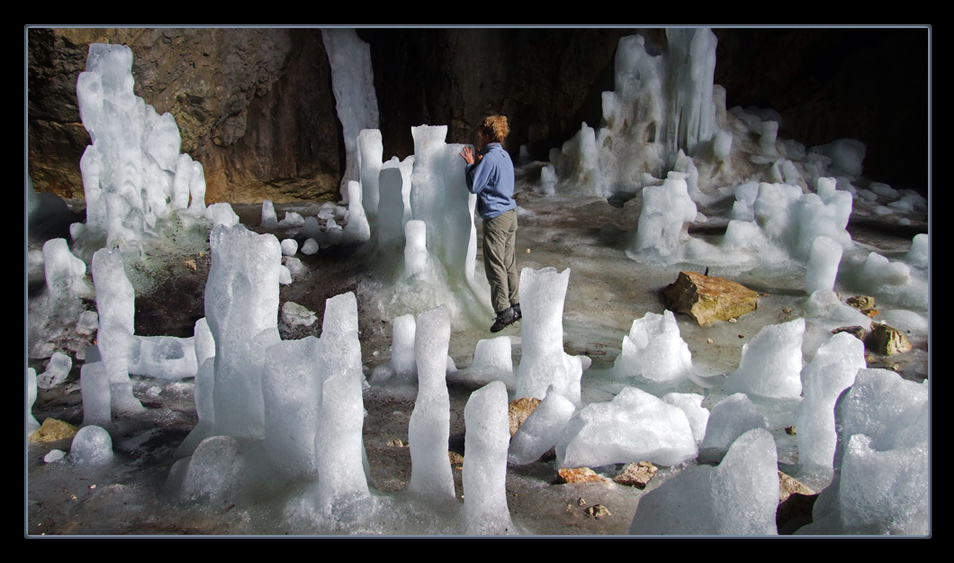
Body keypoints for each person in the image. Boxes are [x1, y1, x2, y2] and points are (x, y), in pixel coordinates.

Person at [459, 115, 521, 332]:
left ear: (487, 135)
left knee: (494, 265)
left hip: (496, 218)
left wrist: (469, 165)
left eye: (480, 137)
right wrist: (480, 161)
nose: (479, 141)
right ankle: (515, 305)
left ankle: (504, 312)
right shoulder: (503, 156)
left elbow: (474, 186)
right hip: (510, 214)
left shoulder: (491, 158)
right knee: (508, 262)